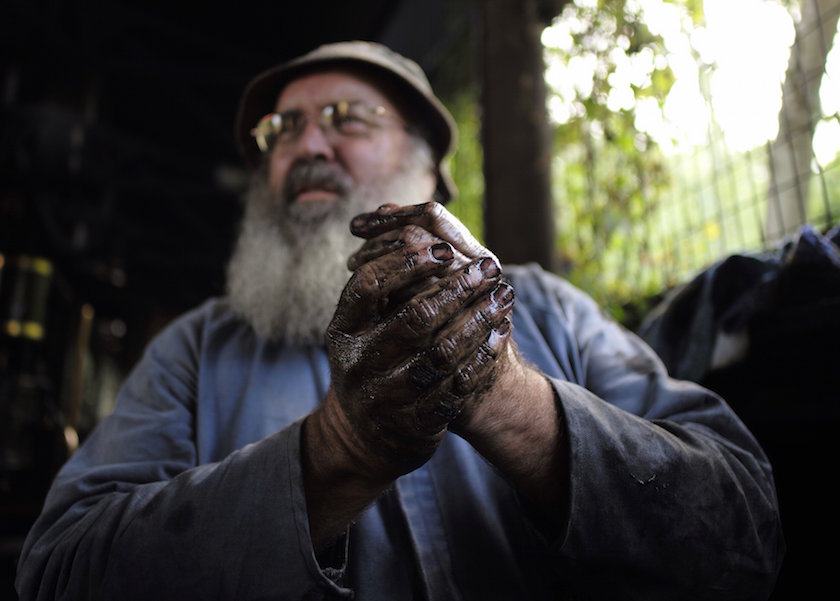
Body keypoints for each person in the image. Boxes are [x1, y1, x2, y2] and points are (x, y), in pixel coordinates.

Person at [16, 40, 784, 600]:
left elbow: (745, 531)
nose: (306, 143)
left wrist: (510, 400)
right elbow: (58, 573)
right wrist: (337, 453)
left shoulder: (545, 308)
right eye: (280, 131)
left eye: (346, 118)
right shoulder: (195, 352)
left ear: (428, 174)